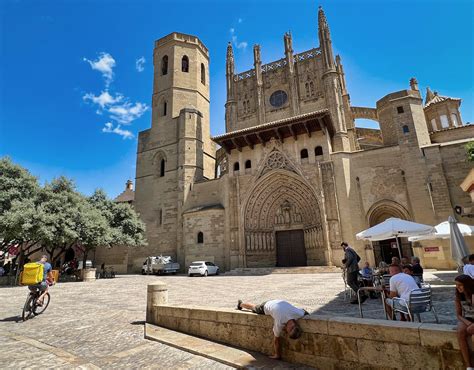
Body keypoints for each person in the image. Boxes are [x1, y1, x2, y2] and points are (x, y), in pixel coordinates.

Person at [237, 299, 306, 359]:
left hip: (278, 302)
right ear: (290, 328)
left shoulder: (299, 314)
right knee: (254, 307)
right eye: (287, 331)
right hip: (267, 305)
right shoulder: (280, 321)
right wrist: (277, 355)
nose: (285, 331)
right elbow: (276, 340)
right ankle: (240, 304)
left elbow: (305, 312)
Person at [455, 274, 474, 370]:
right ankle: (469, 365)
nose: (458, 288)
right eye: (456, 285)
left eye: (460, 285)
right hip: (468, 319)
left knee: (471, 331)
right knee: (460, 332)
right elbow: (458, 315)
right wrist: (468, 323)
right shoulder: (459, 296)